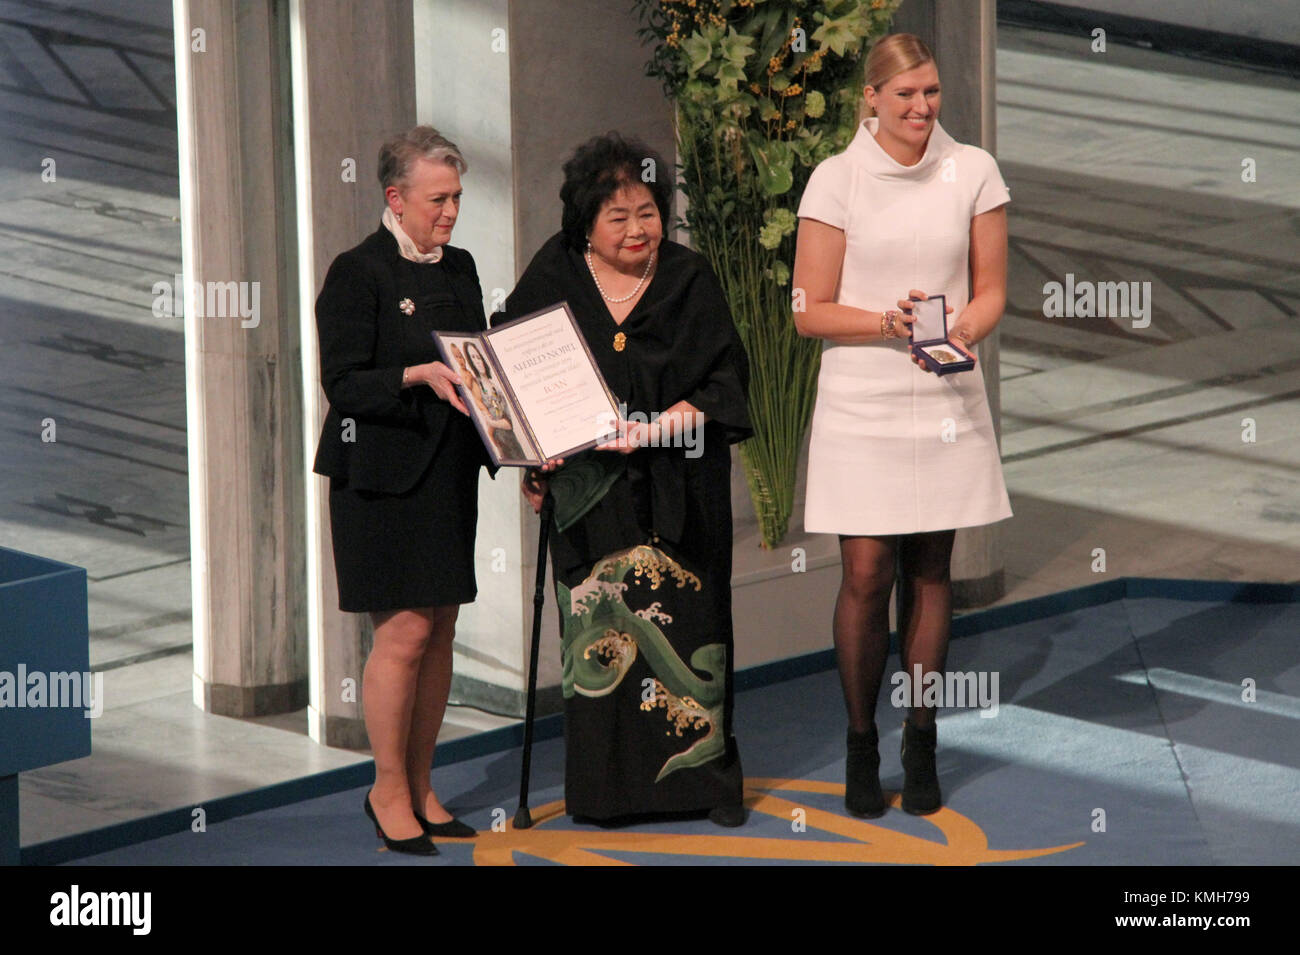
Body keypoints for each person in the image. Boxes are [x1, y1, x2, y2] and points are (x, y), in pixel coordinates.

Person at [500, 132, 752, 827]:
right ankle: (607, 790)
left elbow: (727, 387)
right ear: (586, 222)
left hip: (681, 489)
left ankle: (705, 783)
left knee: (693, 629)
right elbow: (511, 368)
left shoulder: (688, 278)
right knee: (597, 637)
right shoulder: (555, 274)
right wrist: (531, 457)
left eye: (649, 211)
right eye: (620, 217)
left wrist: (652, 428)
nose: (640, 228)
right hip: (588, 496)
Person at [792, 33, 1012, 817]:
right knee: (865, 574)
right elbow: (810, 311)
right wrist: (884, 324)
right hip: (862, 400)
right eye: (907, 96)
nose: (922, 108)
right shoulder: (836, 180)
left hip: (945, 397)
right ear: (872, 101)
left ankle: (922, 740)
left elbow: (990, 291)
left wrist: (962, 336)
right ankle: (861, 744)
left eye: (932, 94)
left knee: (930, 572)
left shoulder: (975, 171)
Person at [312, 125, 489, 855]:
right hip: (380, 477)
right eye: (437, 199)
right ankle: (386, 788)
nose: (450, 212)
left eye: (456, 197)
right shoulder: (358, 271)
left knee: (441, 626)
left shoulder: (462, 266)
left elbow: (478, 360)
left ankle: (421, 783)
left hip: (445, 470)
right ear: (396, 197)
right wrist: (416, 375)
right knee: (405, 630)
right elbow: (344, 382)